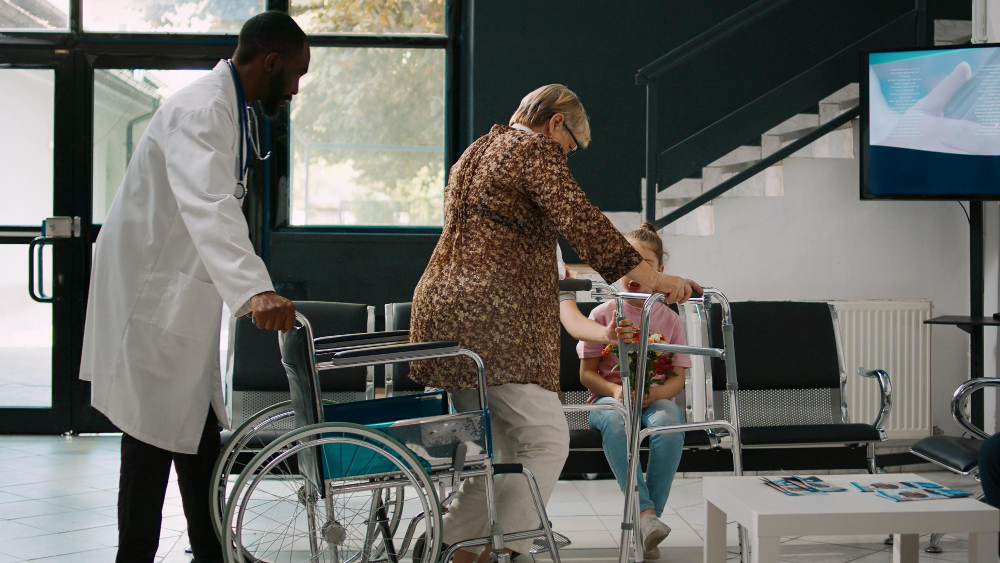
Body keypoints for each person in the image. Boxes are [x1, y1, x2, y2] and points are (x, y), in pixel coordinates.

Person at [408, 84, 701, 563]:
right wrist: (655, 277)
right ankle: (504, 549)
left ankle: (450, 546)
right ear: (556, 123)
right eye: (570, 148)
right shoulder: (532, 150)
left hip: (444, 313)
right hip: (491, 322)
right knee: (545, 439)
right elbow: (584, 222)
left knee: (498, 452)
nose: (567, 158)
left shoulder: (478, 150)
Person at [79, 11, 307, 563]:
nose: (297, 88)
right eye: (296, 74)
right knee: (151, 443)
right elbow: (211, 204)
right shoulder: (204, 107)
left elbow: (214, 202)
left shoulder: (230, 108)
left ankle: (212, 553)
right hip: (153, 301)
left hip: (180, 302)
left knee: (197, 438)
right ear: (271, 61)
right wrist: (257, 290)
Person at [577, 222, 691, 560]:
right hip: (608, 400)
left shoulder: (670, 320)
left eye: (645, 265)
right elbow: (587, 376)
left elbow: (677, 381)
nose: (635, 272)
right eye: (627, 263)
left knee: (670, 425)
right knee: (616, 422)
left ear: (660, 272)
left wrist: (654, 396)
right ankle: (645, 517)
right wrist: (614, 392)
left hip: (654, 400)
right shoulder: (602, 314)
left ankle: (646, 526)